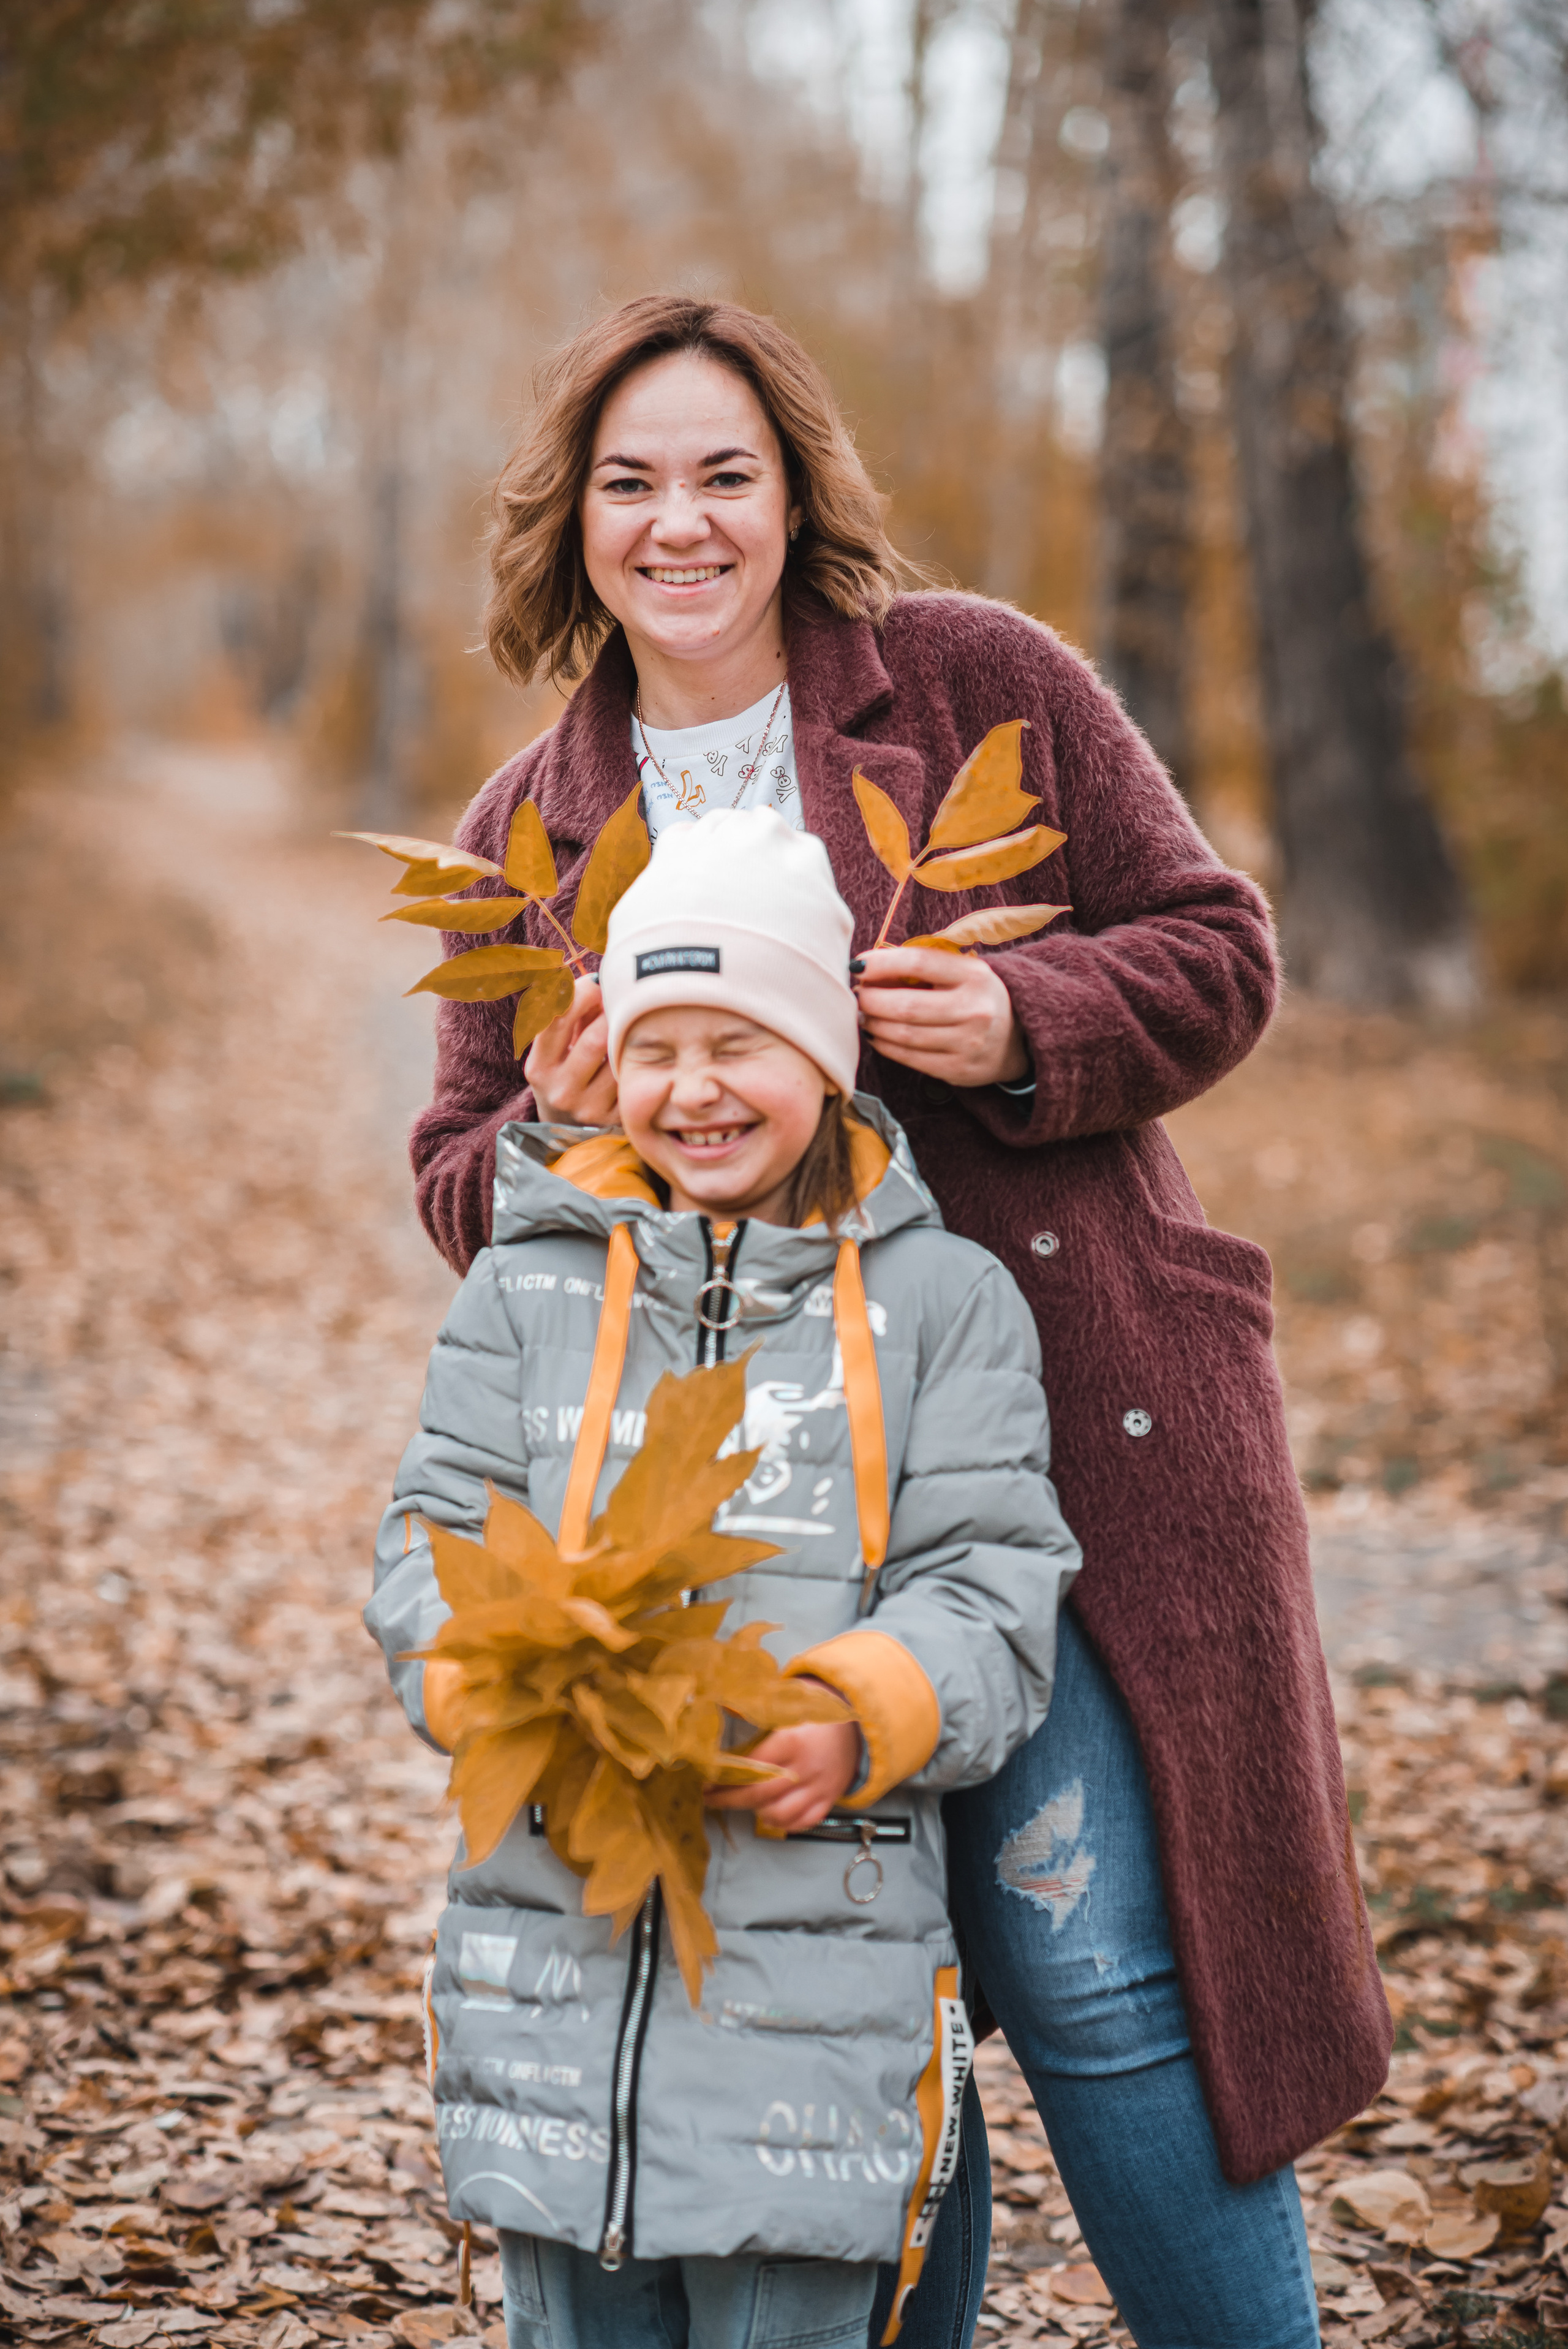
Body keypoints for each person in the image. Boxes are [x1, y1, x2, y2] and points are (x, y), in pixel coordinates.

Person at [410, 293, 1392, 2348]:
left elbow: (1219, 946)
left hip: (1058, 1432)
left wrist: (1030, 1016)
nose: (682, 523)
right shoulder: (530, 828)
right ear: (574, 519)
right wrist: (561, 1137)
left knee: (1102, 1968)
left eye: (726, 474)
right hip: (748, 1509)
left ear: (794, 494)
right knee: (858, 2005)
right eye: (631, 483)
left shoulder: (974, 685)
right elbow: (457, 1175)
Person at [368, 809, 1083, 2349]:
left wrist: (859, 1711)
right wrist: (485, 1677)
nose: (691, 1089)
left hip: (809, 1980)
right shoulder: (529, 1285)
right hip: (551, 1955)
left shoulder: (940, 1302)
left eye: (738, 1042)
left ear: (824, 1055)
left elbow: (990, 1578)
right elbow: (435, 1523)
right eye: (655, 1048)